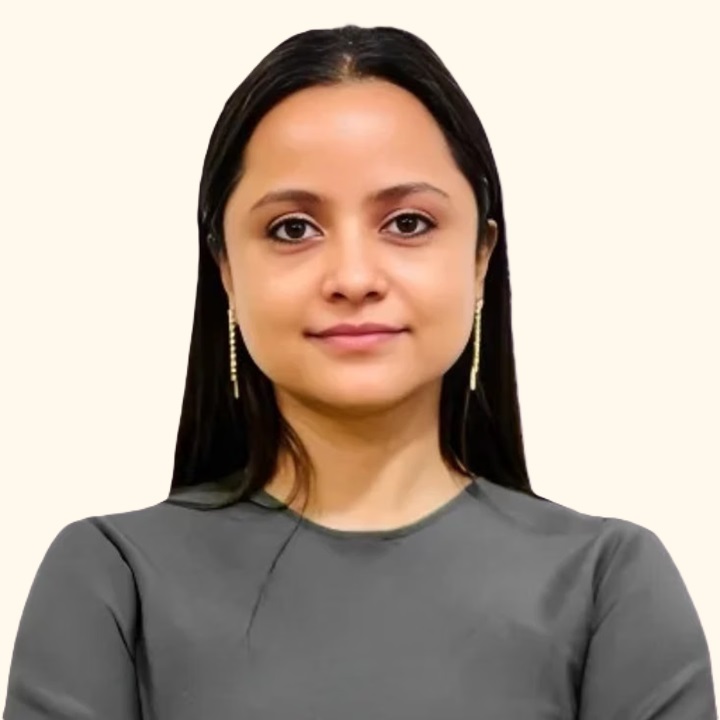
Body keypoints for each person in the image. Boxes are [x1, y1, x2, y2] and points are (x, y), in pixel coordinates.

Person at [4, 24, 716, 720]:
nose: (352, 277)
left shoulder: (607, 584)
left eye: (407, 223)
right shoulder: (113, 579)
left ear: (480, 258)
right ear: (225, 270)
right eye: (292, 229)